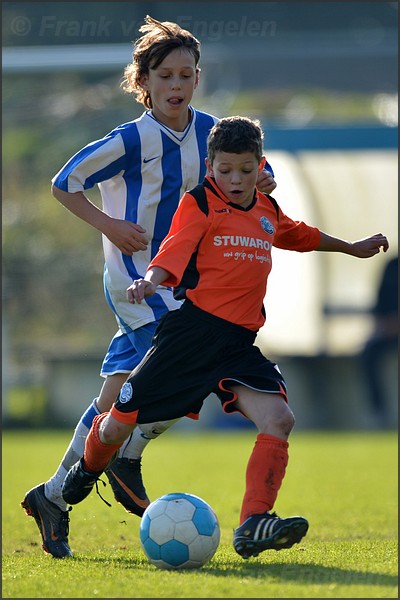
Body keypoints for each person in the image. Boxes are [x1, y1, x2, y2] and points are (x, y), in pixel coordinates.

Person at [61, 116, 389, 560]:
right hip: (189, 339)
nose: (236, 180)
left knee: (279, 419)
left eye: (246, 170)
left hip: (237, 346)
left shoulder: (266, 211)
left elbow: (301, 235)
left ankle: (253, 522)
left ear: (260, 167)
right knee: (119, 423)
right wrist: (152, 280)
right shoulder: (199, 204)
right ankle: (86, 469)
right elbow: (173, 249)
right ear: (211, 166)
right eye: (226, 170)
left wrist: (350, 247)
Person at [20, 16, 277, 559]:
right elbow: (64, 183)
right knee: (180, 370)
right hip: (137, 281)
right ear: (145, 82)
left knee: (116, 398)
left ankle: (53, 498)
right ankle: (127, 455)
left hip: (189, 288)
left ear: (197, 79)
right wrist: (111, 226)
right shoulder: (129, 139)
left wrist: (264, 181)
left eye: (186, 74)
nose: (177, 85)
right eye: (165, 76)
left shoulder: (212, 135)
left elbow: (253, 173)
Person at [359, 255, 398, 427]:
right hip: (389, 331)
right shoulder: (392, 265)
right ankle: (379, 411)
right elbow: (380, 301)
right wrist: (382, 324)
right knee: (369, 351)